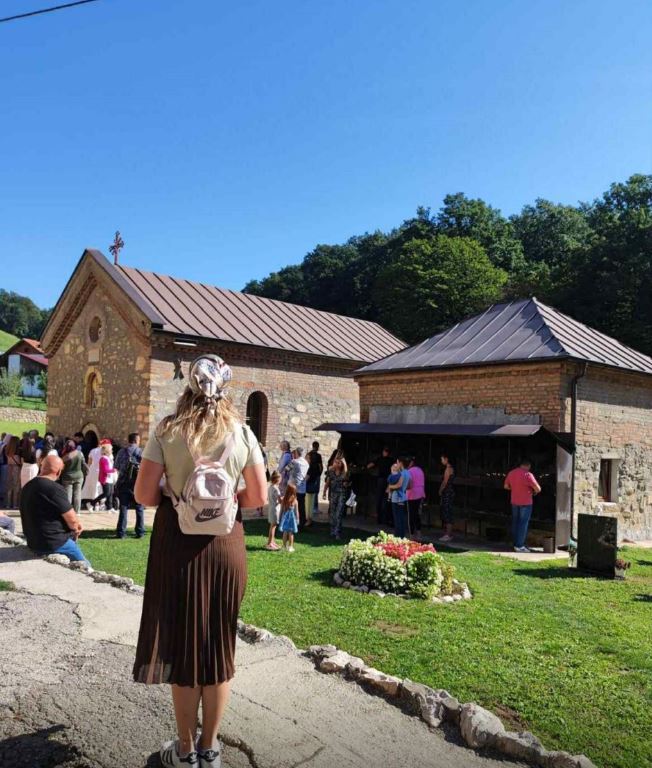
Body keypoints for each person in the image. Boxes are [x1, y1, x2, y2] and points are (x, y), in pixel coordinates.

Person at [132, 354, 266, 768]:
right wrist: (222, 500)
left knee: (184, 647)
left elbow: (144, 495)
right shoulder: (243, 433)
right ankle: (210, 749)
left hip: (177, 545)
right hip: (225, 546)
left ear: (188, 388)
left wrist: (178, 494)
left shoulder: (168, 430)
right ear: (226, 390)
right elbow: (258, 498)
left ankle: (185, 750)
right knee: (218, 646)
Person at [19, 455, 88, 563]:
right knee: (85, 566)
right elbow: (73, 521)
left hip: (33, 541)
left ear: (41, 467)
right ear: (59, 472)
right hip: (53, 541)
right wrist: (77, 528)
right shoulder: (54, 489)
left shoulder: (27, 486)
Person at [504, 458, 542, 553]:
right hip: (525, 503)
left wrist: (515, 489)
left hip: (514, 501)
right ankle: (519, 546)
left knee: (515, 522)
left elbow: (506, 486)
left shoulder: (511, 473)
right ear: (528, 466)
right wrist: (532, 491)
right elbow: (538, 489)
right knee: (523, 524)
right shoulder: (528, 475)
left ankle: (515, 543)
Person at [115, 432, 146, 539]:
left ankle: (121, 532)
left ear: (128, 440)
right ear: (137, 440)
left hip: (123, 482)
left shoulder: (121, 452)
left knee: (123, 507)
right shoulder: (141, 452)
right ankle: (140, 532)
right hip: (137, 483)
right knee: (139, 507)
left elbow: (117, 467)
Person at [367, 446, 394, 525]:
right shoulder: (391, 460)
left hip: (382, 480)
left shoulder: (380, 459)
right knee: (386, 499)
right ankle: (385, 519)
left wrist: (366, 466)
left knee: (380, 499)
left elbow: (370, 465)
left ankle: (380, 519)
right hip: (388, 480)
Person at [323, 456, 348, 540]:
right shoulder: (331, 472)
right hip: (333, 494)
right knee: (332, 513)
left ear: (342, 464)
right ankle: (332, 530)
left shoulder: (344, 473)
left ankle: (337, 532)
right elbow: (327, 482)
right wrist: (324, 492)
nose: (337, 464)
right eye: (335, 462)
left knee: (338, 513)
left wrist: (344, 463)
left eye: (339, 463)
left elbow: (346, 475)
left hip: (341, 494)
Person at [60, 439, 86, 514]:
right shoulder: (80, 453)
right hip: (79, 476)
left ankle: (68, 511)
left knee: (68, 495)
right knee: (78, 494)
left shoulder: (65, 456)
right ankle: (77, 511)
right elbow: (83, 464)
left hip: (67, 477)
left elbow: (62, 467)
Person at [387, 456, 411, 538]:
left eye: (397, 463)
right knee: (401, 518)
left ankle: (398, 537)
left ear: (400, 463)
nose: (396, 464)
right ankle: (402, 536)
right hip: (403, 497)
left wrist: (390, 486)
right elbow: (409, 486)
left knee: (397, 519)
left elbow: (398, 485)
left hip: (397, 498)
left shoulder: (401, 473)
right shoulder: (408, 473)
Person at [286, 447, 309, 529]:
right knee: (301, 506)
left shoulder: (294, 461)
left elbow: (286, 469)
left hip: (293, 486)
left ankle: (291, 522)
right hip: (302, 487)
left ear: (296, 453)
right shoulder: (306, 463)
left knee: (291, 504)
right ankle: (302, 523)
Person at [305, 441, 323, 526]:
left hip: (309, 476)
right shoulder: (318, 456)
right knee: (314, 493)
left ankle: (308, 516)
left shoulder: (308, 454)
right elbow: (321, 466)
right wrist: (319, 474)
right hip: (315, 476)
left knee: (308, 497)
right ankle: (311, 514)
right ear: (318, 446)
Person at [95, 441, 117, 513]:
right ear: (107, 451)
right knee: (106, 493)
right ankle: (92, 502)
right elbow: (105, 470)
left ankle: (110, 507)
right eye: (111, 450)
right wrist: (114, 470)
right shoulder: (103, 458)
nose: (112, 451)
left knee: (111, 493)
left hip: (109, 478)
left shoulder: (107, 458)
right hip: (105, 479)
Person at [407, 456, 425, 539]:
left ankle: (411, 534)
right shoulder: (420, 470)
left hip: (412, 494)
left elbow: (409, 484)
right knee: (417, 513)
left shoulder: (409, 471)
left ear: (412, 462)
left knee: (411, 514)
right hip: (420, 493)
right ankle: (419, 533)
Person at [438, 454, 456, 542]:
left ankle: (448, 534)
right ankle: (449, 534)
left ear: (446, 459)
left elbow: (445, 482)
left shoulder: (448, 469)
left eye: (442, 459)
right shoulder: (452, 468)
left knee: (447, 512)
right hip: (450, 492)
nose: (441, 461)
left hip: (447, 493)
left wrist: (440, 490)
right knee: (448, 512)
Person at [279, 483, 299, 552]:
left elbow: (281, 510)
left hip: (284, 518)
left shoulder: (284, 499)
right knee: (291, 533)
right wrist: (297, 519)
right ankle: (290, 547)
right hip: (292, 519)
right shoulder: (295, 500)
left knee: (285, 532)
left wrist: (280, 518)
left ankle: (284, 546)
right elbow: (296, 511)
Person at [82, 439, 103, 508]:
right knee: (99, 487)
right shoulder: (104, 451)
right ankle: (97, 503)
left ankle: (93, 502)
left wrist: (87, 470)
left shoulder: (92, 450)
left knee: (92, 487)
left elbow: (89, 462)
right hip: (100, 470)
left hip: (92, 470)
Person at [265, 470, 282, 550]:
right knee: (273, 526)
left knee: (272, 526)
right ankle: (270, 543)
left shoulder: (270, 487)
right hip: (275, 509)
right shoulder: (276, 489)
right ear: (277, 479)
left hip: (271, 507)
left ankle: (272, 541)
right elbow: (280, 501)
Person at [4, 436, 22, 510]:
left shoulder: (7, 449)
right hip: (16, 468)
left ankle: (8, 504)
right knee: (16, 486)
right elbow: (20, 461)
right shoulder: (19, 450)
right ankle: (15, 504)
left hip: (9, 467)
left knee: (9, 486)